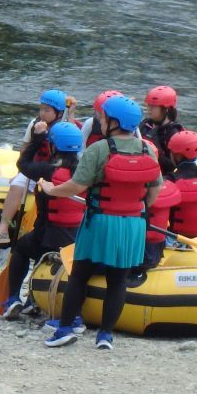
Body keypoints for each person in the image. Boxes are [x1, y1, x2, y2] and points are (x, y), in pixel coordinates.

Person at [39, 96, 161, 350]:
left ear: (114, 122)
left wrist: (51, 189)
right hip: (133, 224)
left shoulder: (99, 149)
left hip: (100, 220)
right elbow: (154, 189)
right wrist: (139, 207)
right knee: (118, 280)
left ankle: (64, 329)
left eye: (103, 118)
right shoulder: (148, 149)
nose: (100, 121)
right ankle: (105, 336)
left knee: (80, 274)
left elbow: (77, 186)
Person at [1, 122, 86, 319]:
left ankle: (14, 298)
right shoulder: (84, 173)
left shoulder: (46, 170)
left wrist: (37, 139)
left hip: (48, 237)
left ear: (53, 146)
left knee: (21, 249)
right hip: (76, 238)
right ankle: (33, 300)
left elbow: (22, 164)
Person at [0, 89, 74, 247]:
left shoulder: (65, 128)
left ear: (59, 113)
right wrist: (20, 172)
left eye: (47, 110)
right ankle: (3, 230)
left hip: (54, 171)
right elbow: (25, 148)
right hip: (34, 168)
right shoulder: (34, 124)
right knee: (16, 185)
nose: (43, 113)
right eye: (41, 109)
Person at [139, 85, 184, 176]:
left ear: (166, 109)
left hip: (161, 177)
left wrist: (156, 152)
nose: (149, 109)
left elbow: (173, 166)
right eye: (149, 105)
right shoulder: (145, 124)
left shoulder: (173, 132)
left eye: (154, 106)